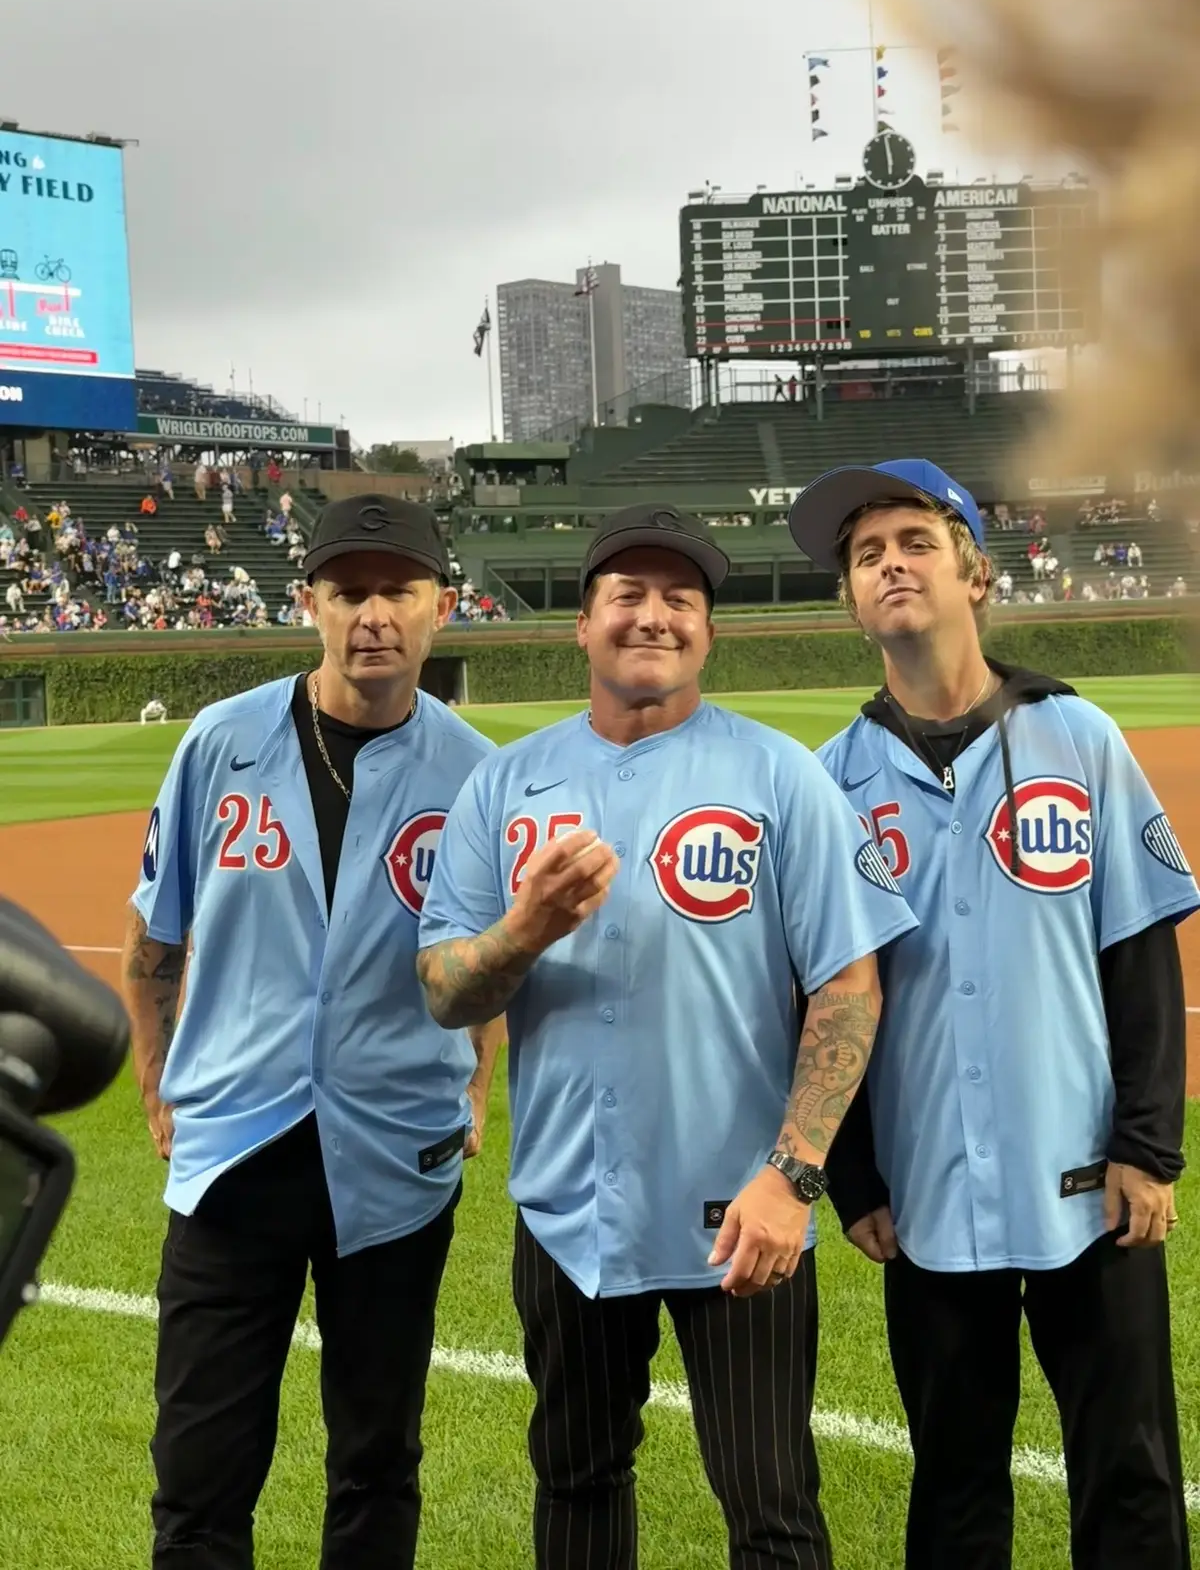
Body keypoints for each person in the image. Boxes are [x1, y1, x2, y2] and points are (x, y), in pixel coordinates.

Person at [416, 503, 916, 1570]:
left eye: (679, 598)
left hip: (739, 1208)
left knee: (772, 1504)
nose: (654, 616)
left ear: (708, 629)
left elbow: (848, 985)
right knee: (578, 1482)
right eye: (627, 596)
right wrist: (523, 930)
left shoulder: (782, 776)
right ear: (583, 624)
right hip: (566, 1207)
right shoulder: (505, 784)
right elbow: (444, 991)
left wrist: (794, 1174)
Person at [787, 458, 1200, 1570]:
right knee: (956, 1481)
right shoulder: (829, 784)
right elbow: (830, 999)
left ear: (975, 570)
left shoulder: (1081, 739)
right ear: (850, 599)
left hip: (1090, 1186)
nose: (889, 564)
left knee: (1131, 1472)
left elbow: (1141, 953)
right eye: (865, 555)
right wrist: (858, 1177)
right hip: (929, 1195)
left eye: (915, 541)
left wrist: (1149, 1146)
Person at [121, 494, 503, 1570]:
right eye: (348, 590)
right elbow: (157, 935)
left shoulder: (479, 773)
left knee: (378, 1460)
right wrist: (157, 1084)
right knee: (199, 1477)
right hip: (235, 1152)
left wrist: (475, 1086)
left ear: (441, 606)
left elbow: (482, 961)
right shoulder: (219, 742)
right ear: (311, 605)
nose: (372, 613)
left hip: (393, 1157)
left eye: (398, 589)